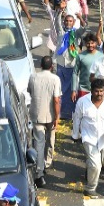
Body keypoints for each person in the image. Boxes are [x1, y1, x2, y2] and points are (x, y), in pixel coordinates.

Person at [71, 76, 104, 198]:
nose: (99, 94)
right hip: (89, 138)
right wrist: (75, 135)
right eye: (97, 91)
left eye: (102, 91)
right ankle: (90, 188)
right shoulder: (82, 102)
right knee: (96, 165)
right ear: (91, 91)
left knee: (100, 162)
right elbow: (77, 119)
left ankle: (89, 167)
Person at [26, 55, 61, 186]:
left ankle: (39, 172)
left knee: (38, 143)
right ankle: (48, 162)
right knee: (50, 139)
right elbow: (56, 100)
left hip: (36, 114)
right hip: (50, 114)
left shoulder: (33, 77)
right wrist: (57, 117)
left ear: (40, 65)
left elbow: (30, 92)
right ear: (52, 66)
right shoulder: (55, 79)